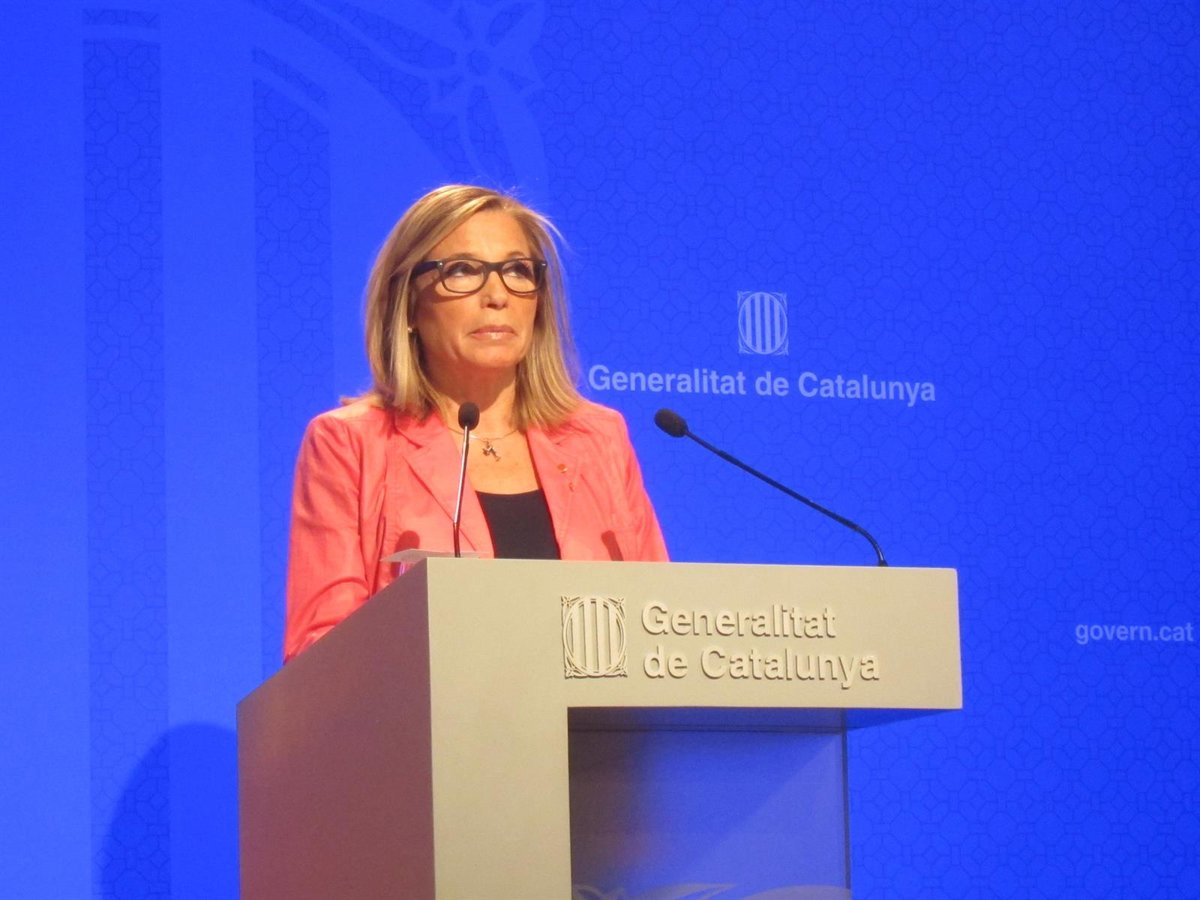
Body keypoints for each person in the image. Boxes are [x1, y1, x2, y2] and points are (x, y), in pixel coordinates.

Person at [284, 185, 668, 661]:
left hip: (596, 711)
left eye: (517, 271)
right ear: (408, 305)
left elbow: (660, 623)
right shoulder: (350, 443)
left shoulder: (597, 437)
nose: (497, 295)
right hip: (425, 710)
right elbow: (319, 651)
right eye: (462, 270)